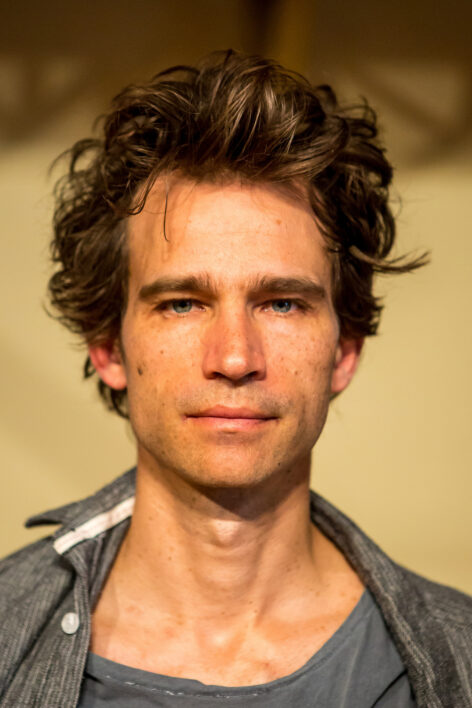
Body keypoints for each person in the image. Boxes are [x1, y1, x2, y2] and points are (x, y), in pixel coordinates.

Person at [0, 50, 470, 708]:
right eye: (182, 304)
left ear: (345, 349)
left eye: (282, 303)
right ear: (107, 346)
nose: (234, 356)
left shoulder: (460, 659)